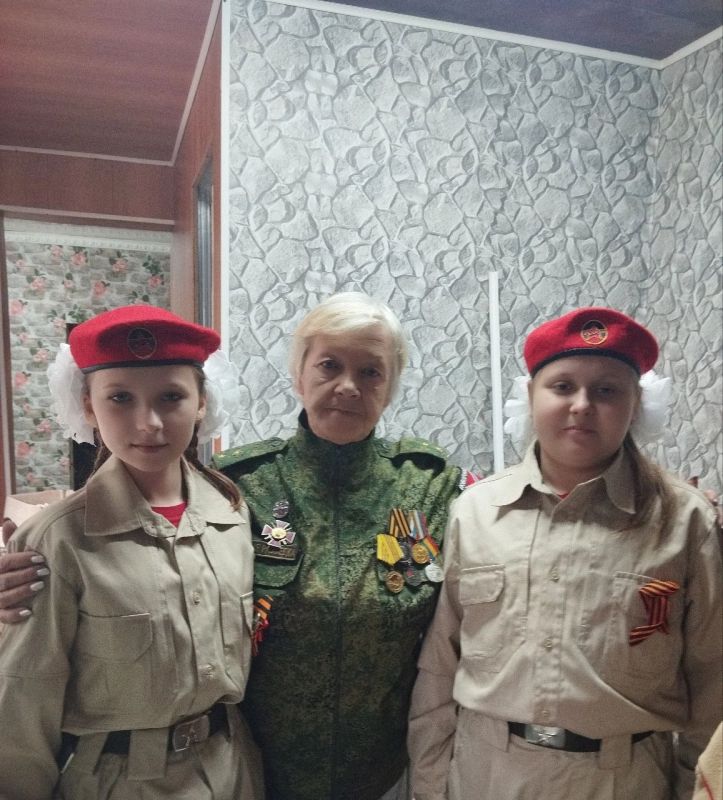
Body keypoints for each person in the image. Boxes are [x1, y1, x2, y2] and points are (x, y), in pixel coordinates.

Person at [0, 292, 472, 800]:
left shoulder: (430, 486)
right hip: (256, 770)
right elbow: (25, 691)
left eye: (371, 372)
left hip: (360, 772)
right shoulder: (242, 487)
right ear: (298, 374)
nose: (347, 386)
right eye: (329, 365)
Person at [408, 307, 722, 800]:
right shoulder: (476, 510)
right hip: (488, 773)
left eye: (607, 390)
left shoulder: (684, 520)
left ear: (636, 405)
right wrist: (429, 786)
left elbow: (712, 678)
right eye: (562, 386)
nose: (582, 405)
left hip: (625, 781)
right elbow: (440, 666)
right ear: (530, 397)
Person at [0, 306, 263, 800]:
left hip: (231, 772)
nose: (149, 422)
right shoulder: (58, 539)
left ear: (201, 402)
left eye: (171, 396)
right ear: (89, 406)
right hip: (117, 782)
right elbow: (23, 700)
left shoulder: (232, 517)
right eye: (120, 398)